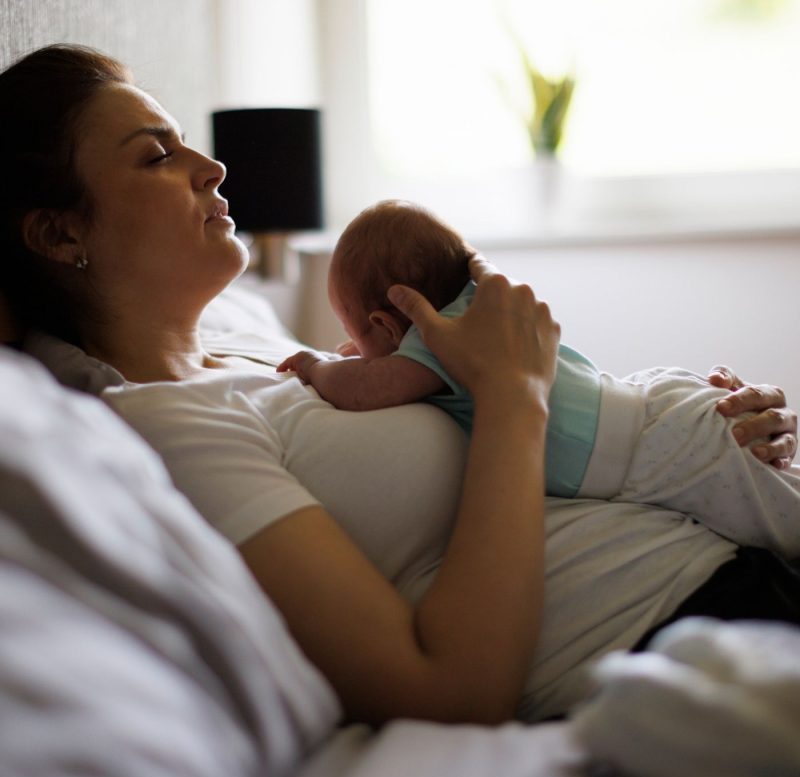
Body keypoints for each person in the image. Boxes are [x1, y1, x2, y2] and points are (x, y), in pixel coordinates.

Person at [1, 43, 798, 726]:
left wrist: (694, 423)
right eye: (156, 155)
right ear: (60, 232)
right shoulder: (170, 427)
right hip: (678, 633)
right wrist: (515, 395)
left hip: (734, 564)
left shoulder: (245, 350)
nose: (210, 167)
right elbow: (445, 688)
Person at [278, 199, 800, 559]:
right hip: (652, 405)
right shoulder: (479, 311)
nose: (359, 355)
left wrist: (316, 365)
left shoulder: (436, 343)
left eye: (357, 337)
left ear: (385, 325)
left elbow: (369, 388)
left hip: (655, 445)